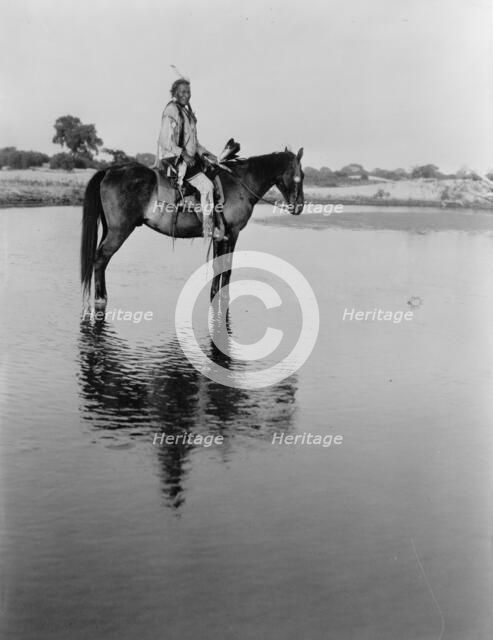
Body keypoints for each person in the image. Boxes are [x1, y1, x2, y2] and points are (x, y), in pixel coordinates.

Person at [156, 78, 223, 239]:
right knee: (207, 186)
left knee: (214, 171)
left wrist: (207, 154)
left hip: (188, 157)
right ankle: (208, 229)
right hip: (173, 158)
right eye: (182, 92)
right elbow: (164, 140)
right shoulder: (171, 110)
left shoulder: (186, 113)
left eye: (188, 92)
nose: (186, 95)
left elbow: (194, 144)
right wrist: (184, 154)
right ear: (174, 93)